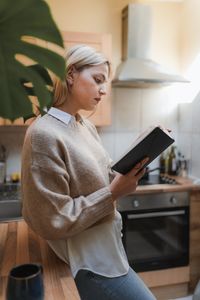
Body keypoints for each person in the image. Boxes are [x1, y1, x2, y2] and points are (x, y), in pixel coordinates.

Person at [21, 44, 156, 300]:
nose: (103, 90)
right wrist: (113, 192)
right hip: (88, 259)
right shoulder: (44, 134)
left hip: (109, 249)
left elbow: (100, 176)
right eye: (97, 80)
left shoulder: (84, 126)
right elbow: (53, 220)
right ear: (71, 74)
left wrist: (137, 155)